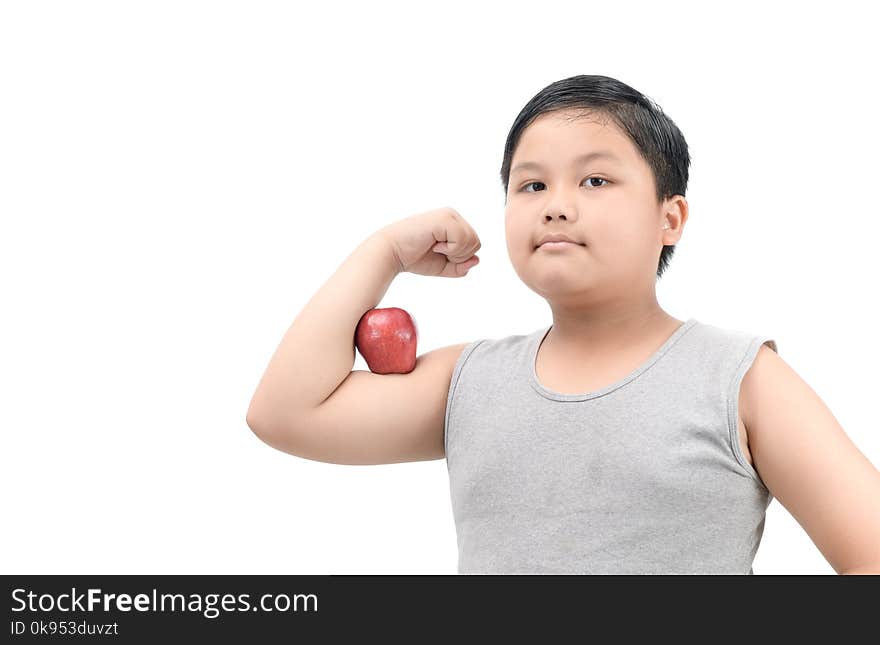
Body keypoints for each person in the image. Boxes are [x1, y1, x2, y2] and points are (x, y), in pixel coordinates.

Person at [245, 74, 880, 575]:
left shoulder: (739, 379)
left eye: (595, 179)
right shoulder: (469, 381)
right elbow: (285, 414)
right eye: (530, 186)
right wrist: (381, 251)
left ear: (671, 218)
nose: (556, 206)